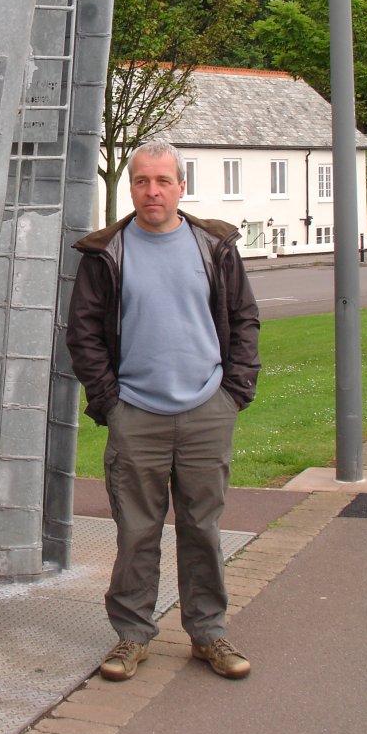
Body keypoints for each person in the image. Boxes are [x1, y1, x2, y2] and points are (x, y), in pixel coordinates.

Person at [66, 138, 260, 681]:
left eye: (163, 181)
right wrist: (111, 403)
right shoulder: (108, 252)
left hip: (206, 409)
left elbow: (244, 320)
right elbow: (83, 336)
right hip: (136, 416)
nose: (152, 191)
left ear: (181, 186)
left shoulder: (213, 246)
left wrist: (234, 391)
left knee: (202, 527)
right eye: (142, 181)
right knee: (136, 532)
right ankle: (131, 637)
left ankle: (209, 635)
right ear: (131, 186)